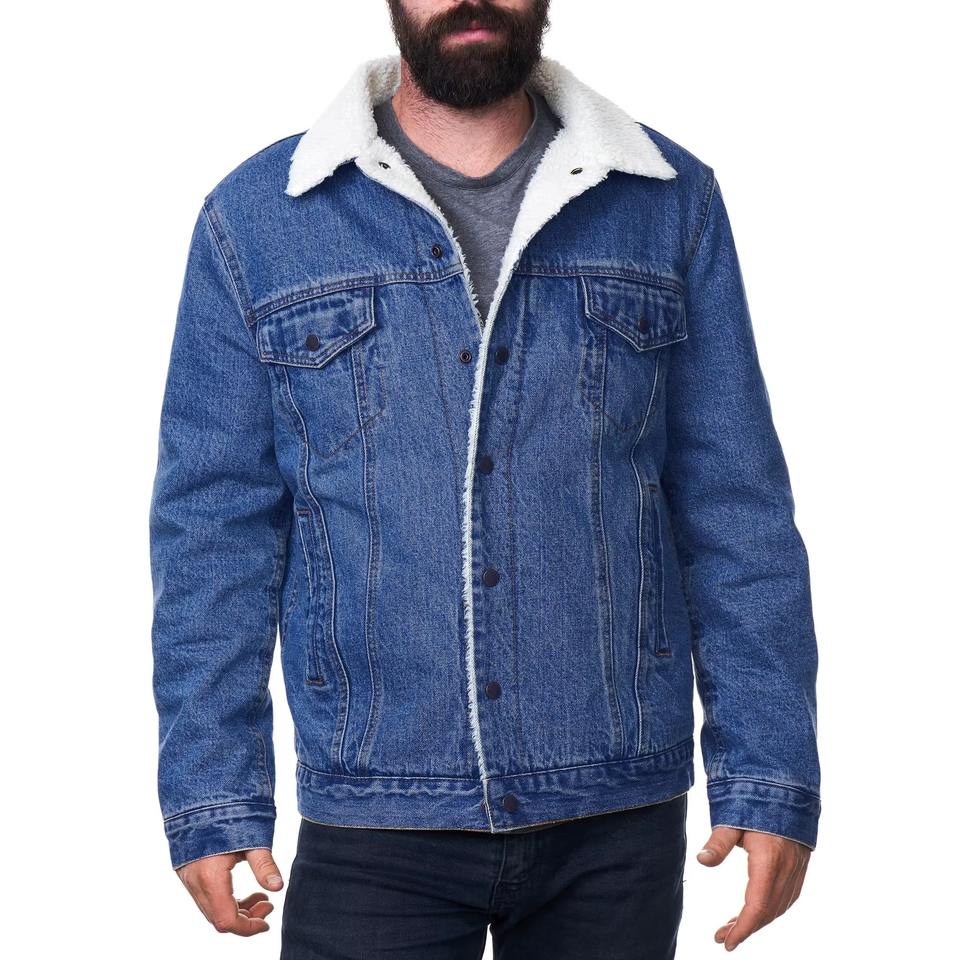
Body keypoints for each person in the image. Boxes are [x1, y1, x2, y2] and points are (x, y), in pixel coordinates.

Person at [149, 1, 821, 956]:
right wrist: (213, 791)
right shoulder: (258, 217)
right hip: (373, 812)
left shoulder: (668, 201)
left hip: (615, 812)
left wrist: (770, 775)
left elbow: (734, 508)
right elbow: (214, 529)